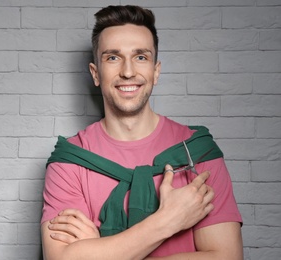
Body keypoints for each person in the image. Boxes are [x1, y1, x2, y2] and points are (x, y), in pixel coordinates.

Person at [41, 5, 243, 260]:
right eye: (113, 57)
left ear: (155, 71)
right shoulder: (70, 161)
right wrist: (167, 221)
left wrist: (104, 252)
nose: (127, 72)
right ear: (95, 73)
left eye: (141, 57)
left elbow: (227, 257)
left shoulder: (198, 152)